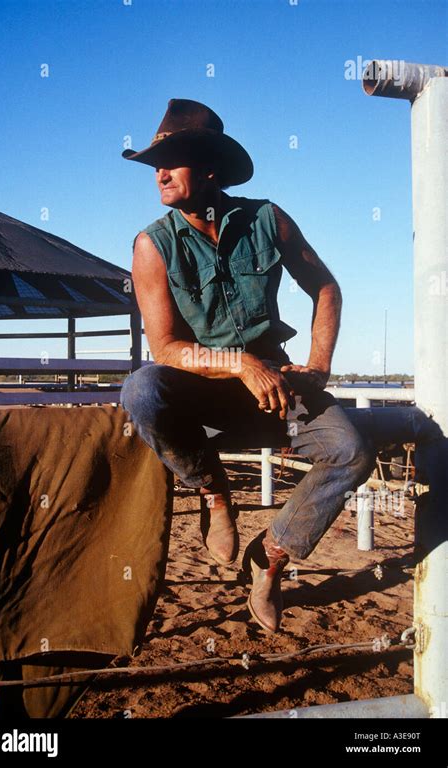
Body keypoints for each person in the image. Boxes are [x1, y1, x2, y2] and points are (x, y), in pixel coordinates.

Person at [120, 98, 376, 633]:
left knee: (351, 450)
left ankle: (271, 557)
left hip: (275, 386)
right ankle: (214, 493)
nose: (160, 174)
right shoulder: (153, 245)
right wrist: (238, 362)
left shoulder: (267, 219)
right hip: (201, 388)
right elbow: (165, 349)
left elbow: (324, 287)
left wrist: (319, 365)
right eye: (155, 166)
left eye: (174, 160)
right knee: (142, 390)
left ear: (211, 168)